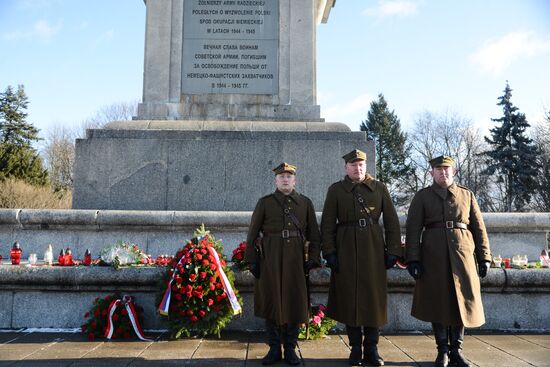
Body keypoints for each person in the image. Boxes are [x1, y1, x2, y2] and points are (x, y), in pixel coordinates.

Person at [405, 155, 492, 367]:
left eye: (447, 169)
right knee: (439, 302)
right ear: (432, 173)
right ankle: (442, 350)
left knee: (461, 301)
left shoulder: (467, 195)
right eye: (439, 169)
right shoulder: (422, 197)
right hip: (433, 256)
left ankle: (457, 350)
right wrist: (413, 259)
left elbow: (479, 229)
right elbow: (413, 230)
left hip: (462, 255)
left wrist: (484, 257)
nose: (443, 173)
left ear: (454, 172)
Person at [321, 149, 401, 366]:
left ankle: (372, 349)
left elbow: (392, 222)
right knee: (350, 299)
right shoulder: (336, 190)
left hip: (373, 249)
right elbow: (327, 223)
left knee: (373, 300)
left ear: (366, 166)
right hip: (345, 248)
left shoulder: (379, 188)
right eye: (354, 165)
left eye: (361, 165)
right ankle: (355, 349)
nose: (358, 168)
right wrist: (329, 252)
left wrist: (393, 251)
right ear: (346, 167)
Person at [245, 162, 321, 366]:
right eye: (281, 177)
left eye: (289, 176)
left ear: (295, 180)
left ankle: (289, 348)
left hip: (296, 258)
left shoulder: (305, 203)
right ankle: (273, 348)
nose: (285, 179)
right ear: (276, 180)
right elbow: (253, 232)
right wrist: (251, 259)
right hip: (269, 257)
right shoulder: (265, 202)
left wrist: (313, 257)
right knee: (271, 300)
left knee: (294, 302)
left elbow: (314, 233)